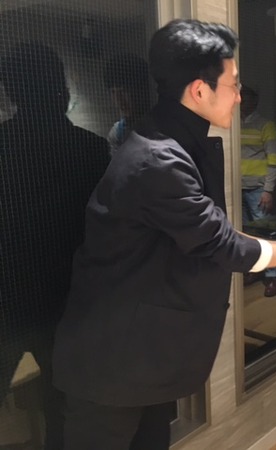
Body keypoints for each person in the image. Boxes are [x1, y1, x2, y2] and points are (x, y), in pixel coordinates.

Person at [51, 19, 276, 450]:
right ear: (199, 91)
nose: (239, 95)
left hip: (145, 352)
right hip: (113, 358)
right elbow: (216, 241)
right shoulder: (158, 159)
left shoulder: (174, 141)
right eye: (233, 84)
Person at [0, 42, 109, 450]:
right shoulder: (90, 149)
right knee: (62, 404)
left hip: (7, 298)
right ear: (61, 90)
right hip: (66, 299)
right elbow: (103, 232)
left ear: (11, 92)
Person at [240, 85, 276, 297]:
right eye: (241, 98)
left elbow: (274, 160)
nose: (243, 102)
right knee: (246, 234)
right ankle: (254, 270)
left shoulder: (265, 125)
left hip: (258, 189)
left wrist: (268, 190)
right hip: (237, 188)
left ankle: (272, 275)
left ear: (255, 101)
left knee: (265, 232)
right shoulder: (233, 124)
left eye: (247, 98)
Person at [102, 53, 152, 156]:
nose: (119, 99)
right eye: (113, 92)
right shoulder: (117, 132)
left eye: (123, 91)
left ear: (140, 89)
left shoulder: (163, 126)